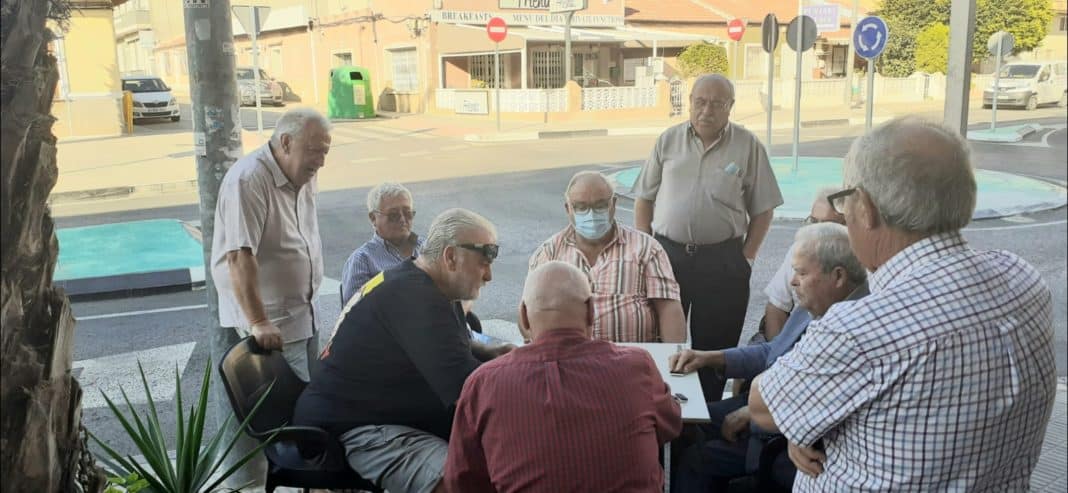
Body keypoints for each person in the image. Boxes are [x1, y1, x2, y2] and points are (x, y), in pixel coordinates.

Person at [749, 117, 1057, 491]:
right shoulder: (1023, 280)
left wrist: (809, 425)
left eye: (845, 201)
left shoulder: (862, 328)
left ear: (865, 208)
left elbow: (764, 404)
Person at [293, 208, 513, 493]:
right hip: (354, 426)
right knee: (462, 480)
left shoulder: (425, 286)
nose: (490, 275)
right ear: (450, 257)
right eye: (484, 260)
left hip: (381, 410)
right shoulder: (416, 298)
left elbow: (438, 345)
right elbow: (468, 393)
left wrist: (491, 353)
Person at [443, 261, 683, 492]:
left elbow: (461, 480)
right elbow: (670, 426)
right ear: (591, 311)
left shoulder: (483, 384)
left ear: (524, 317)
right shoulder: (636, 365)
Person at [669, 222, 867, 492]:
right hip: (764, 407)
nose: (793, 281)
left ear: (839, 276)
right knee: (683, 421)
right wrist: (709, 357)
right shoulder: (815, 304)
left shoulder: (851, 330)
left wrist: (753, 412)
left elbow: (818, 401)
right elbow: (772, 352)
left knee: (696, 460)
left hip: (784, 438)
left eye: (801, 272)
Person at [633, 73, 784, 400]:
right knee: (660, 339)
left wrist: (747, 257)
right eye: (700, 101)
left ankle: (707, 420)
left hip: (723, 261)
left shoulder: (747, 146)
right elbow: (644, 199)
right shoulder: (668, 141)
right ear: (690, 102)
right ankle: (661, 406)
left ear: (730, 107)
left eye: (717, 103)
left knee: (716, 347)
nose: (707, 110)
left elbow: (764, 209)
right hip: (667, 256)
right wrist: (645, 250)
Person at [210, 107, 330, 382]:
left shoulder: (304, 173)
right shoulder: (249, 179)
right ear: (286, 143)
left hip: (306, 316)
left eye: (325, 152)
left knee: (310, 401)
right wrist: (258, 322)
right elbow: (239, 257)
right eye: (314, 150)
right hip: (273, 329)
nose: (321, 161)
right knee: (289, 413)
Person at [529, 171, 686, 343]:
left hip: (632, 361)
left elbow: (668, 307)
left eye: (600, 205)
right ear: (568, 209)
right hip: (571, 362)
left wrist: (672, 358)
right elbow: (529, 316)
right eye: (581, 207)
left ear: (613, 204)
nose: (591, 214)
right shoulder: (549, 253)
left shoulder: (647, 248)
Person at [759, 188, 843, 341]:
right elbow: (776, 306)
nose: (816, 231)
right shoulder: (799, 250)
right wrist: (776, 352)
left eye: (827, 225)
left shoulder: (857, 258)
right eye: (813, 221)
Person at [340, 181, 422, 303]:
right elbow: (355, 313)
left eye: (407, 213)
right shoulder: (363, 260)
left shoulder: (428, 248)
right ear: (373, 218)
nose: (403, 219)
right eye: (393, 215)